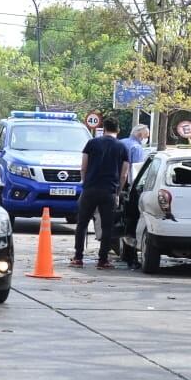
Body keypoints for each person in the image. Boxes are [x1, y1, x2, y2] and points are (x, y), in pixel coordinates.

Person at [72, 115, 130, 269]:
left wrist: (85, 183)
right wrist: (118, 192)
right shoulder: (122, 147)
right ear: (118, 130)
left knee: (82, 223)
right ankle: (102, 260)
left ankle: (78, 257)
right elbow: (124, 174)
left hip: (90, 189)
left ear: (103, 129)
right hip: (109, 191)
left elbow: (83, 166)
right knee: (107, 226)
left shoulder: (91, 143)